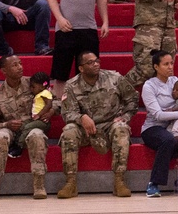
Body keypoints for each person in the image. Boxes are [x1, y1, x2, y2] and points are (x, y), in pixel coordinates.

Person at [57, 51, 139, 199]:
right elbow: (67, 113)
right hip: (85, 129)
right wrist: (81, 118)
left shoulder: (114, 78)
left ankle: (119, 181)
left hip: (110, 125)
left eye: (97, 61)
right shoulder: (71, 85)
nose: (96, 64)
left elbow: (132, 99)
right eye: (90, 62)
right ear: (81, 68)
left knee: (121, 129)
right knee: (68, 131)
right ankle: (70, 182)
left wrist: (125, 117)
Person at [0, 55, 51, 201]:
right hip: (10, 128)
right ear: (4, 70)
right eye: (14, 65)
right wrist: (6, 124)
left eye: (20, 63)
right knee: (0, 136)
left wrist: (49, 112)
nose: (20, 67)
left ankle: (39, 184)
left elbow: (53, 100)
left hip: (31, 125)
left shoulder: (33, 83)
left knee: (37, 135)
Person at [140, 50, 178, 198]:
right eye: (166, 64)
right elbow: (158, 114)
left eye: (171, 63)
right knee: (167, 139)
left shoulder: (175, 81)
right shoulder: (149, 86)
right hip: (154, 127)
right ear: (156, 66)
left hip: (176, 125)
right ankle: (154, 184)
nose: (170, 67)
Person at [10, 71, 53, 158]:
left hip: (42, 121)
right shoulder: (39, 93)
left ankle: (19, 146)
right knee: (22, 125)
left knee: (27, 127)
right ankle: (15, 142)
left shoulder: (45, 93)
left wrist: (40, 115)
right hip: (35, 118)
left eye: (33, 87)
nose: (31, 89)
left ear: (42, 86)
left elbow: (49, 104)